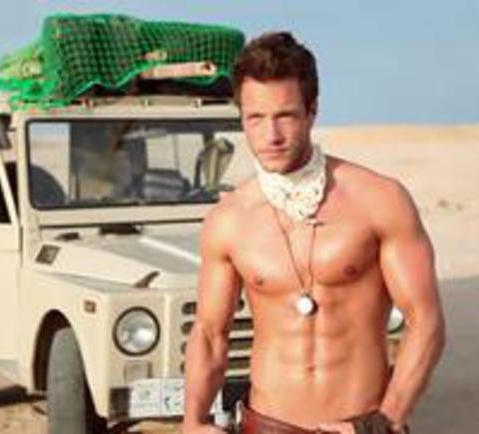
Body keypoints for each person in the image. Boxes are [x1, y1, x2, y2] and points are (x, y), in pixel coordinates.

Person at [182, 32, 446, 434]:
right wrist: (192, 420)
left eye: (285, 116)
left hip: (361, 427)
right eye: (255, 118)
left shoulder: (379, 199)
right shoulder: (229, 219)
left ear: (312, 111)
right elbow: (209, 334)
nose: (271, 135)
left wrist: (383, 422)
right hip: (266, 425)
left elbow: (426, 322)